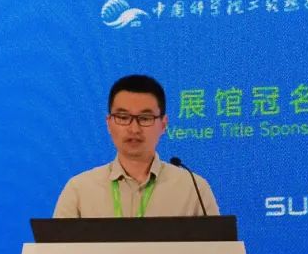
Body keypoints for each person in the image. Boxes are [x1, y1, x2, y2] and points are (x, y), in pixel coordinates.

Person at [53, 74, 220, 218]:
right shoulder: (79, 190)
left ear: (163, 124)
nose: (134, 129)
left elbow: (217, 246)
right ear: (109, 123)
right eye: (123, 117)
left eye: (145, 118)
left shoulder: (194, 189)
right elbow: (56, 246)